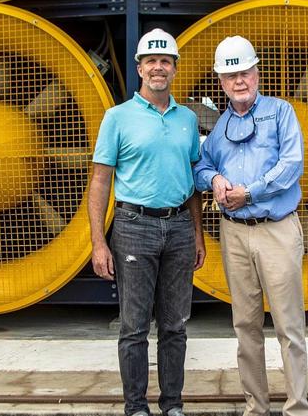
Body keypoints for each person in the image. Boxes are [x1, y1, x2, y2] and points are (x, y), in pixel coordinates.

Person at [88, 28, 206, 416]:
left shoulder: (188, 118)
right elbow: (101, 180)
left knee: (175, 326)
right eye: (151, 61)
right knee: (134, 327)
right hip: (133, 226)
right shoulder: (117, 117)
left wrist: (198, 235)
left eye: (166, 61)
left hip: (178, 229)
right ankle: (135, 407)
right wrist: (98, 243)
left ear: (174, 69)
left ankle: (173, 405)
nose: (159, 67)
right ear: (140, 68)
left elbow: (192, 183)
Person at [193, 36, 308, 416]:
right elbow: (201, 164)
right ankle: (255, 407)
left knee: (288, 326)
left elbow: (292, 165)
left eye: (244, 72)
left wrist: (251, 192)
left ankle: (296, 409)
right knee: (245, 325)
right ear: (221, 83)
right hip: (234, 233)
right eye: (230, 76)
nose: (238, 81)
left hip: (276, 229)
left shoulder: (281, 112)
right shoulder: (221, 124)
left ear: (256, 73)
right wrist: (214, 181)